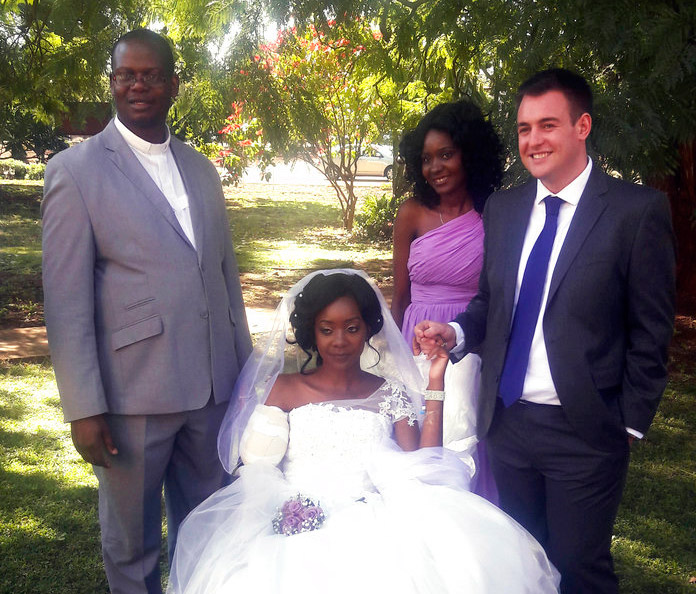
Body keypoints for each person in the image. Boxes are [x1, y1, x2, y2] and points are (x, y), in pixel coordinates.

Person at [414, 69, 676, 593]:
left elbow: (652, 329)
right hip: (508, 424)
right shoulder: (506, 209)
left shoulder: (634, 211)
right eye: (524, 128)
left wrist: (627, 423)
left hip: (586, 430)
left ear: (582, 126)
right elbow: (493, 302)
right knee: (519, 561)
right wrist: (457, 334)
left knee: (579, 567)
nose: (533, 140)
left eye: (547, 125)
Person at [167, 269, 560, 594]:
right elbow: (257, 469)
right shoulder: (283, 390)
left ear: (368, 330)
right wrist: (281, 510)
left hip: (374, 519)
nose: (340, 341)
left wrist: (435, 383)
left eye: (351, 328)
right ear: (311, 333)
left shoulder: (388, 393)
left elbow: (424, 464)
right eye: (327, 329)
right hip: (296, 519)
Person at [41, 29, 252, 593]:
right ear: (111, 84)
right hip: (132, 396)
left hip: (212, 391)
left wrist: (247, 375)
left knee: (209, 530)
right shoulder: (75, 172)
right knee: (132, 546)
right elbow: (65, 301)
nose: (138, 85)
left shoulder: (203, 169)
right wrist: (83, 406)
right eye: (125, 75)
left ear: (173, 83)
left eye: (150, 74)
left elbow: (225, 280)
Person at [392, 100, 503, 502]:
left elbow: (499, 292)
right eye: (425, 158)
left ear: (468, 154)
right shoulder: (412, 213)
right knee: (416, 434)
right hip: (415, 338)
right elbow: (400, 294)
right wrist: (391, 352)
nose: (434, 167)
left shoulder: (496, 213)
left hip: (470, 340)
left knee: (465, 432)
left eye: (445, 155)